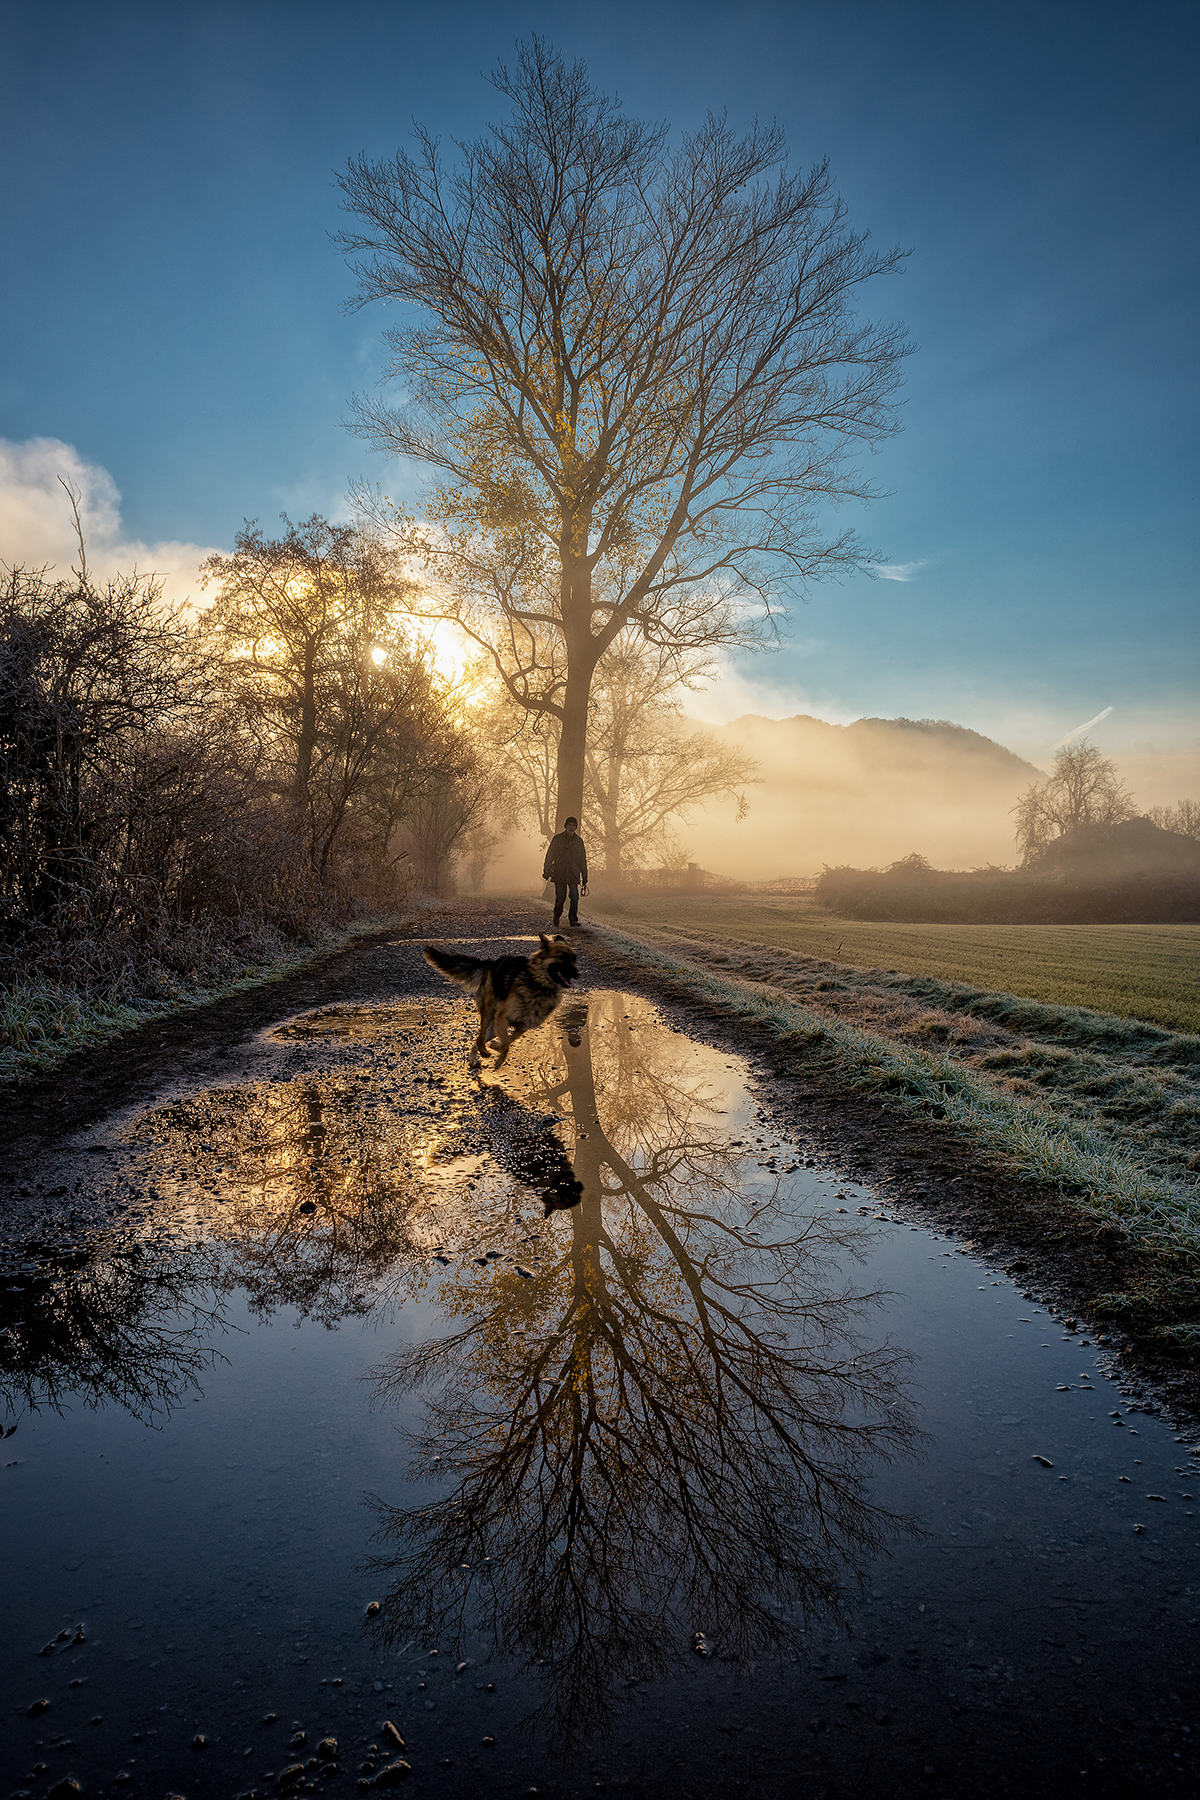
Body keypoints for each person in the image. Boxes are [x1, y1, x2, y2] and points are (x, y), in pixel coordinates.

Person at [542, 816, 589, 928]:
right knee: (560, 897)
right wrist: (546, 870)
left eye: (573, 825)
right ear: (566, 826)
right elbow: (550, 855)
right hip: (560, 872)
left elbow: (582, 860)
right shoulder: (557, 839)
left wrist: (585, 877)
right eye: (570, 825)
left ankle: (573, 919)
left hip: (573, 873)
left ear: (575, 827)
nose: (571, 827)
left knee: (574, 897)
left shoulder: (579, 841)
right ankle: (557, 915)